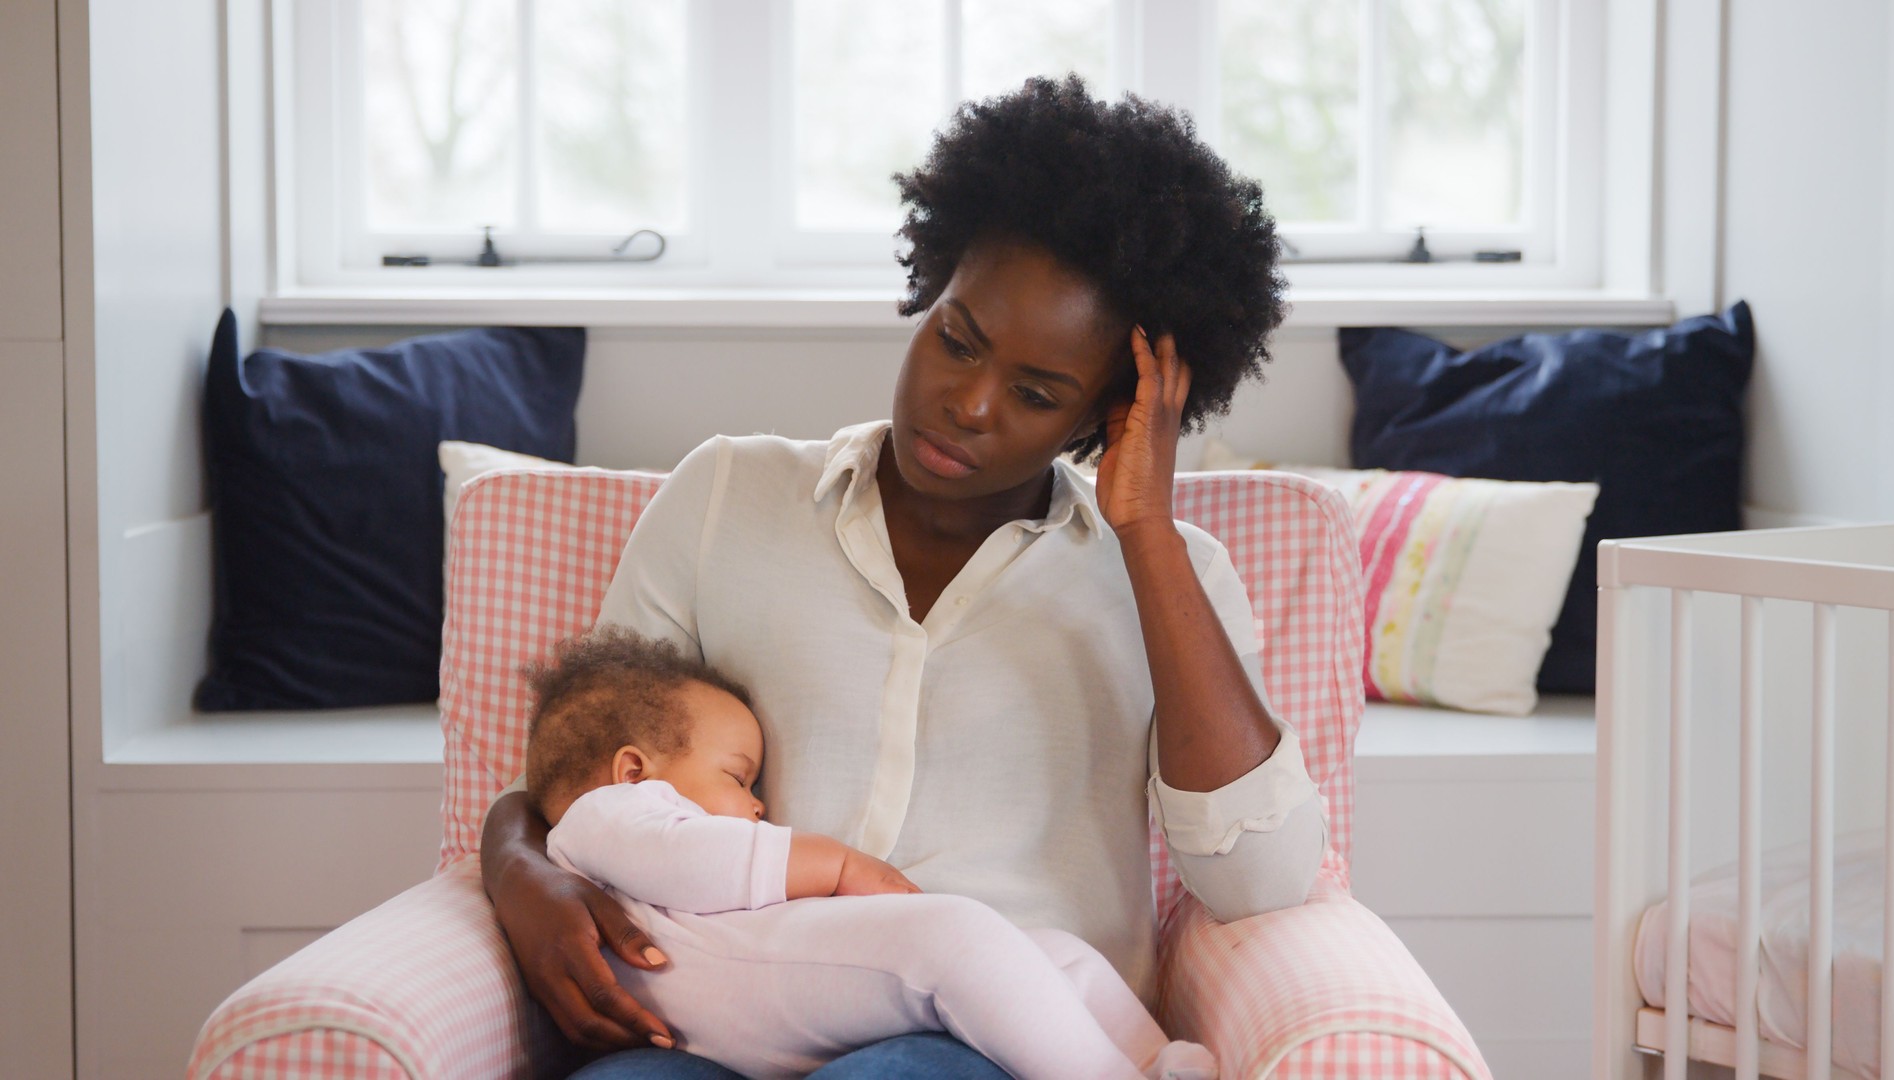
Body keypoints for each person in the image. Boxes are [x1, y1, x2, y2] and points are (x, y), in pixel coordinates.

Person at [481, 74, 1328, 1079]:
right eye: (956, 338)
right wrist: (519, 871)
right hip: (723, 1004)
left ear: (1104, 417)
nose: (966, 403)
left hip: (989, 1036)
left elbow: (1259, 880)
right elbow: (582, 758)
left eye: (1035, 392)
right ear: (931, 293)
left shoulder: (1169, 583)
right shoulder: (724, 499)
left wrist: (1145, 532)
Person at [526, 625, 1220, 1080]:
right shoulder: (600, 821)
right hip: (755, 987)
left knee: (1050, 953)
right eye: (739, 778)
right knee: (957, 937)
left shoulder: (619, 826)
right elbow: (693, 863)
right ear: (632, 770)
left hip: (771, 991)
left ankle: (1151, 1057)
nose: (760, 805)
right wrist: (838, 864)